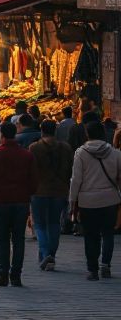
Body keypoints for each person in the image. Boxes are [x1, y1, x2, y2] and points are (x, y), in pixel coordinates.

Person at [0, 120, 37, 287]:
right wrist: (29, 194)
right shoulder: (27, 155)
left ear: (1, 135)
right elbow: (33, 180)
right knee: (18, 238)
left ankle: (3, 273)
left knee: (2, 238)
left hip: (0, 200)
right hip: (21, 201)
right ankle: (16, 274)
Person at [68, 120, 120, 280]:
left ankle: (92, 269)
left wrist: (72, 201)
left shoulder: (81, 153)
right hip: (110, 199)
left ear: (87, 134)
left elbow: (76, 180)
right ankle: (106, 265)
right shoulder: (115, 153)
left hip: (87, 201)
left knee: (91, 235)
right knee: (108, 233)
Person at [29, 119, 72, 271]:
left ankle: (46, 253)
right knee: (54, 224)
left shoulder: (34, 148)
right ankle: (50, 256)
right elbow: (70, 170)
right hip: (60, 191)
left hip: (39, 191)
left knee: (39, 224)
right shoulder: (66, 148)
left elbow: (31, 171)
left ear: (42, 131)